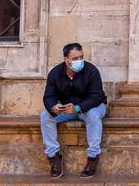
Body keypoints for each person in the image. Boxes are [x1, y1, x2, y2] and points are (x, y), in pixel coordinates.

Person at [41, 42, 108, 178]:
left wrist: (78, 107)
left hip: (91, 107)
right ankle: (54, 156)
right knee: (45, 115)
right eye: (75, 58)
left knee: (93, 115)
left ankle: (92, 157)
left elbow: (97, 96)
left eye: (81, 57)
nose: (79, 61)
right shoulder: (55, 73)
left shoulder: (91, 70)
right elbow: (48, 96)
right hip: (68, 110)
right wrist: (54, 107)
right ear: (66, 59)